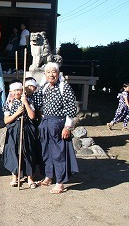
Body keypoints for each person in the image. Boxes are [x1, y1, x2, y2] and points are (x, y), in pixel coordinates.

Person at [37, 62, 79, 194]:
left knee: (58, 154)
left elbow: (72, 108)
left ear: (58, 73)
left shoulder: (64, 87)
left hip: (58, 124)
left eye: (53, 72)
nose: (51, 74)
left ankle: (59, 182)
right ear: (45, 74)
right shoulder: (44, 87)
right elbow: (38, 103)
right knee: (46, 151)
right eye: (48, 72)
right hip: (46, 123)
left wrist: (67, 127)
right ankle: (49, 176)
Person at [2, 80, 37, 188]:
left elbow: (32, 116)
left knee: (28, 151)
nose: (16, 92)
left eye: (18, 90)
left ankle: (30, 178)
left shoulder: (29, 100)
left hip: (26, 128)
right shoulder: (8, 103)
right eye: (14, 90)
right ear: (10, 91)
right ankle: (15, 177)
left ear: (22, 90)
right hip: (14, 129)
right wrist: (17, 113)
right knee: (14, 152)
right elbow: (6, 120)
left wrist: (25, 103)